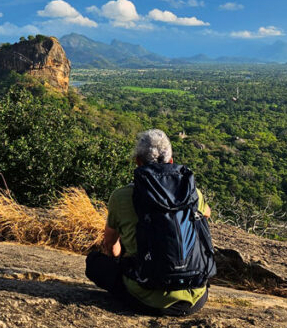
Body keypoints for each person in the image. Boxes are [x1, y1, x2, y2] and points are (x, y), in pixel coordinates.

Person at [86, 129, 215, 316]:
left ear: (138, 161)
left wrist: (118, 264)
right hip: (195, 297)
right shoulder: (192, 193)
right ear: (171, 161)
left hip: (147, 298)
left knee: (94, 263)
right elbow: (207, 214)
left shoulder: (121, 196)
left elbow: (110, 243)